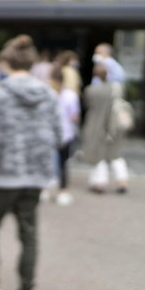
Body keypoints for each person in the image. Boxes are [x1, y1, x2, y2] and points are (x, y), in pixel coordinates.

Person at [0, 35, 62, 290]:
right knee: (29, 232)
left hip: (3, 174)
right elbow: (59, 134)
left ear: (6, 62)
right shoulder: (48, 93)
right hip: (36, 175)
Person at [82, 64, 129, 194]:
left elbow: (87, 104)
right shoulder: (113, 89)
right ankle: (121, 180)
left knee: (98, 154)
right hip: (113, 125)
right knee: (115, 154)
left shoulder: (91, 90)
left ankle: (99, 182)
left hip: (96, 125)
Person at [49, 66, 81, 206]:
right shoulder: (71, 95)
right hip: (66, 134)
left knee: (47, 162)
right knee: (63, 164)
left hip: (49, 133)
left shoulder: (48, 94)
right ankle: (62, 191)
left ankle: (45, 189)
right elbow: (74, 116)